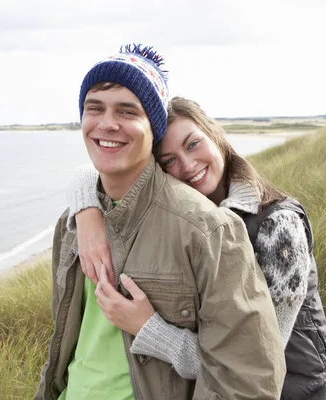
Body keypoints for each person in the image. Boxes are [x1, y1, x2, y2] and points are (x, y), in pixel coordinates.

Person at [35, 44, 286, 400]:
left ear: (153, 128)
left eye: (127, 111)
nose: (107, 123)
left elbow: (247, 377)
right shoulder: (73, 223)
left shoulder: (209, 230)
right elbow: (68, 341)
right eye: (95, 108)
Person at [67, 96, 326, 398]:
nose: (188, 165)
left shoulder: (279, 227)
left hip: (290, 390)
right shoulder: (191, 223)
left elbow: (255, 358)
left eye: (193, 144)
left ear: (215, 134)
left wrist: (147, 328)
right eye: (169, 161)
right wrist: (87, 211)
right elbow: (89, 170)